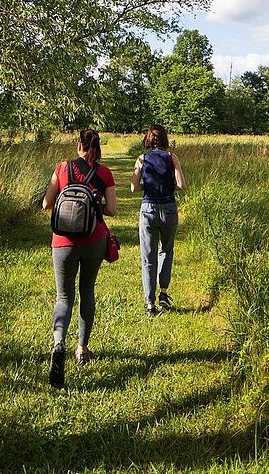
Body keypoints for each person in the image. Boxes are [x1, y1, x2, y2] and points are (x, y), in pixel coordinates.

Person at [41, 128, 116, 388]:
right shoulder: (104, 173)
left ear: (78, 146)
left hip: (62, 241)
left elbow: (46, 204)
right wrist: (95, 205)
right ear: (98, 147)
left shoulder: (62, 168)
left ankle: (58, 343)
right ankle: (82, 348)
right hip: (94, 240)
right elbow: (113, 209)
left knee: (63, 297)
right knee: (87, 292)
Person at [132, 123, 185, 315]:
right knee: (166, 250)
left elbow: (133, 188)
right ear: (164, 139)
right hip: (169, 208)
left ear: (148, 139)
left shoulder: (142, 159)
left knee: (148, 257)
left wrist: (147, 187)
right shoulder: (172, 157)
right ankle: (163, 292)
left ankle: (150, 304)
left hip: (148, 210)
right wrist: (169, 187)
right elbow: (181, 185)